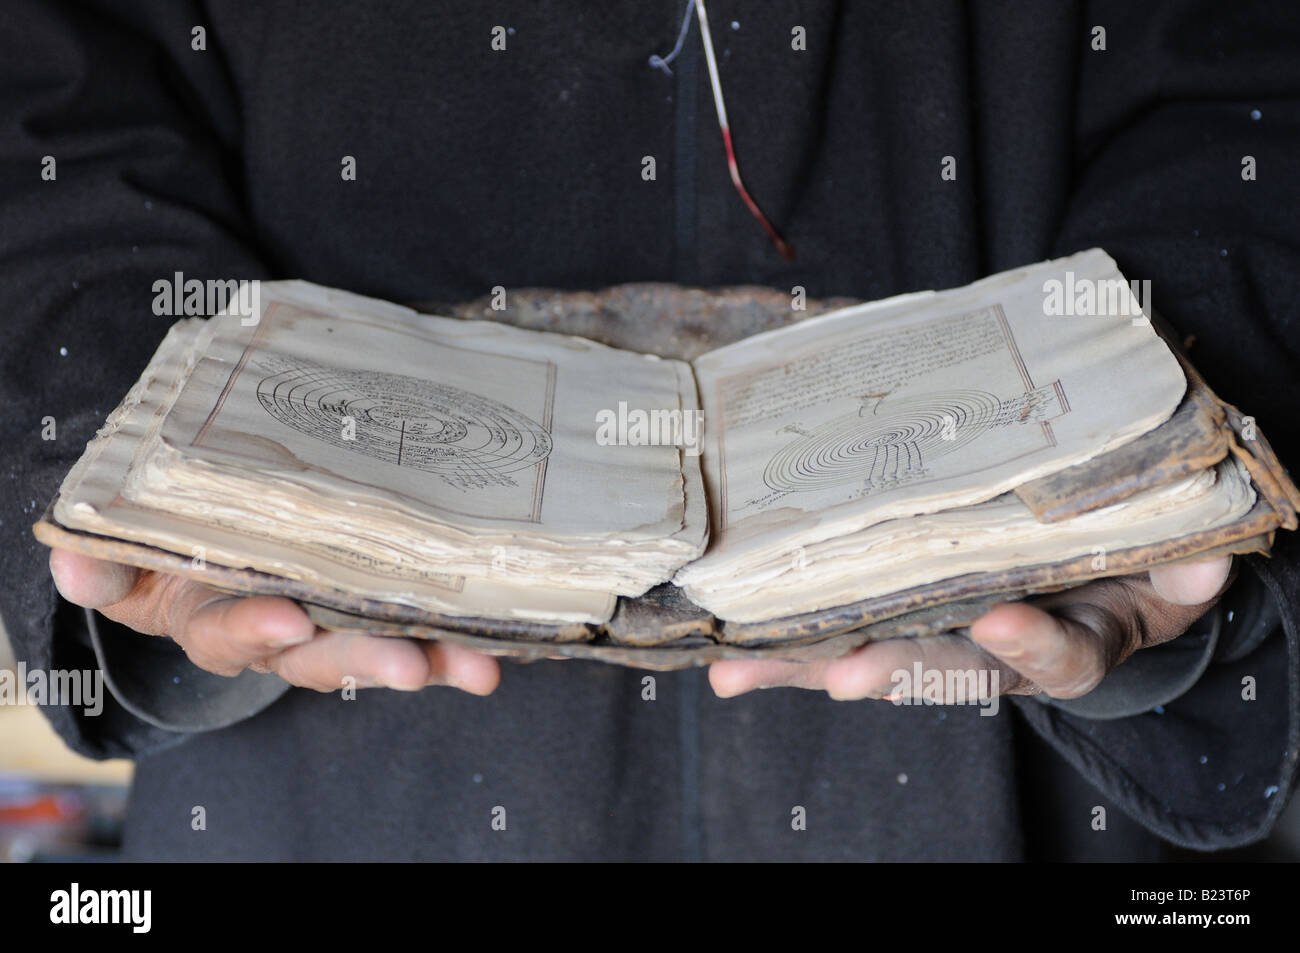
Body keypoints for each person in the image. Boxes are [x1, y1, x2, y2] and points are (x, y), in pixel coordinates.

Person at [1, 0, 1296, 861]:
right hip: (336, 769)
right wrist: (167, 470)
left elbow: (1246, 86)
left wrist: (1166, 440)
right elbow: (48, 95)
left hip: (1015, 751)